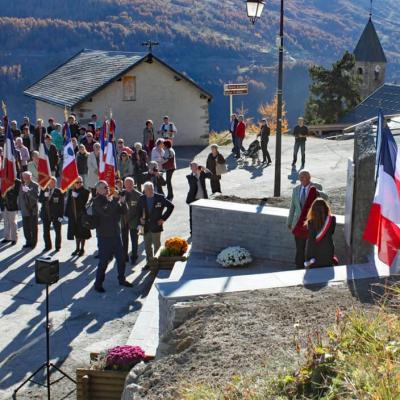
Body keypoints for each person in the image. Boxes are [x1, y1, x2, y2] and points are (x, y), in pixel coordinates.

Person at [92, 180, 132, 292]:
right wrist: (115, 199)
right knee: (103, 262)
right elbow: (107, 212)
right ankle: (98, 284)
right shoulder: (97, 201)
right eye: (105, 187)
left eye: (107, 187)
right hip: (104, 237)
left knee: (121, 259)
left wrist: (123, 202)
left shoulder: (109, 199)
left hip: (115, 235)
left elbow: (123, 211)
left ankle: (122, 279)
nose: (108, 189)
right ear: (98, 190)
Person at [287, 170, 326, 269]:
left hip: (313, 223)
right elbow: (293, 207)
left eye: (304, 177)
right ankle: (299, 266)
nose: (302, 179)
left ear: (309, 178)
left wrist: (317, 192)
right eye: (300, 177)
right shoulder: (296, 189)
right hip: (299, 223)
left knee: (312, 247)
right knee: (300, 247)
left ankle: (312, 265)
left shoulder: (317, 187)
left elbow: (326, 198)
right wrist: (289, 222)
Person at [137, 181, 174, 265]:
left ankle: (157, 263)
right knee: (147, 247)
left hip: (156, 225)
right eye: (148, 189)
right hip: (145, 226)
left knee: (157, 246)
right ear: (144, 190)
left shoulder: (160, 197)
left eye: (151, 189)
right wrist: (140, 218)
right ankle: (149, 263)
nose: (150, 191)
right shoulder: (142, 198)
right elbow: (138, 210)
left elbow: (171, 206)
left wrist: (163, 218)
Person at [305, 198, 336, 268]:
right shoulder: (332, 219)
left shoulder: (311, 222)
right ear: (326, 208)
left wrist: (308, 258)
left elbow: (311, 242)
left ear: (313, 210)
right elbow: (332, 232)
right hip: (328, 253)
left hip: (315, 255)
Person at [65, 177, 91, 256]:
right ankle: (77, 248)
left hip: (82, 215)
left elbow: (83, 204)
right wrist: (66, 214)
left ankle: (82, 248)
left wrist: (77, 197)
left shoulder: (86, 192)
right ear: (74, 183)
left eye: (80, 182)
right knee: (76, 233)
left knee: (82, 233)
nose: (79, 183)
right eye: (77, 182)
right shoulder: (71, 191)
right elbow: (69, 203)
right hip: (73, 215)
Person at [186, 162, 212, 234]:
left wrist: (205, 169)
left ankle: (203, 229)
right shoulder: (189, 177)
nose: (197, 168)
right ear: (191, 168)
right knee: (192, 217)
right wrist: (198, 174)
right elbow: (194, 183)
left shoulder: (202, 174)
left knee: (204, 215)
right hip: (193, 200)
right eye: (195, 167)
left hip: (203, 199)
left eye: (197, 166)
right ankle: (192, 232)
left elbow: (211, 175)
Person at [39, 176, 64, 251]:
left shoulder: (59, 191)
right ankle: (48, 246)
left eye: (53, 182)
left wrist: (61, 216)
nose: (51, 184)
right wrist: (45, 197)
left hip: (56, 215)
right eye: (50, 182)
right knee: (46, 231)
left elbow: (61, 205)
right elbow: (40, 200)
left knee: (58, 232)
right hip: (46, 214)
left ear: (56, 183)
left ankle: (58, 246)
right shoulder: (44, 190)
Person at [121, 177, 142, 264]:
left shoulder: (138, 195)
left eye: (130, 184)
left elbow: (141, 210)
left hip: (134, 221)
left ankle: (134, 257)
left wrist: (140, 223)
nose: (128, 185)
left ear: (133, 184)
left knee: (134, 240)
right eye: (127, 184)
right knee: (124, 240)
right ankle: (124, 255)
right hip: (123, 221)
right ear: (124, 185)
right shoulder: (121, 193)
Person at [17, 171, 39, 249]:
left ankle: (33, 243)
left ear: (30, 177)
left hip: (32, 210)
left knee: (33, 228)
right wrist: (19, 207)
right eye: (24, 177)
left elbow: (36, 198)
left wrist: (29, 192)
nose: (25, 179)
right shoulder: (22, 185)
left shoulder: (35, 185)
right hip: (24, 210)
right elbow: (20, 197)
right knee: (26, 228)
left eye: (27, 177)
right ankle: (28, 242)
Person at [1, 180, 20, 245]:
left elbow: (17, 190)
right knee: (6, 222)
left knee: (13, 222)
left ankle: (14, 238)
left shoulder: (16, 181)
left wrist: (13, 180)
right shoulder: (3, 180)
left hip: (12, 206)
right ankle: (7, 237)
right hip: (4, 205)